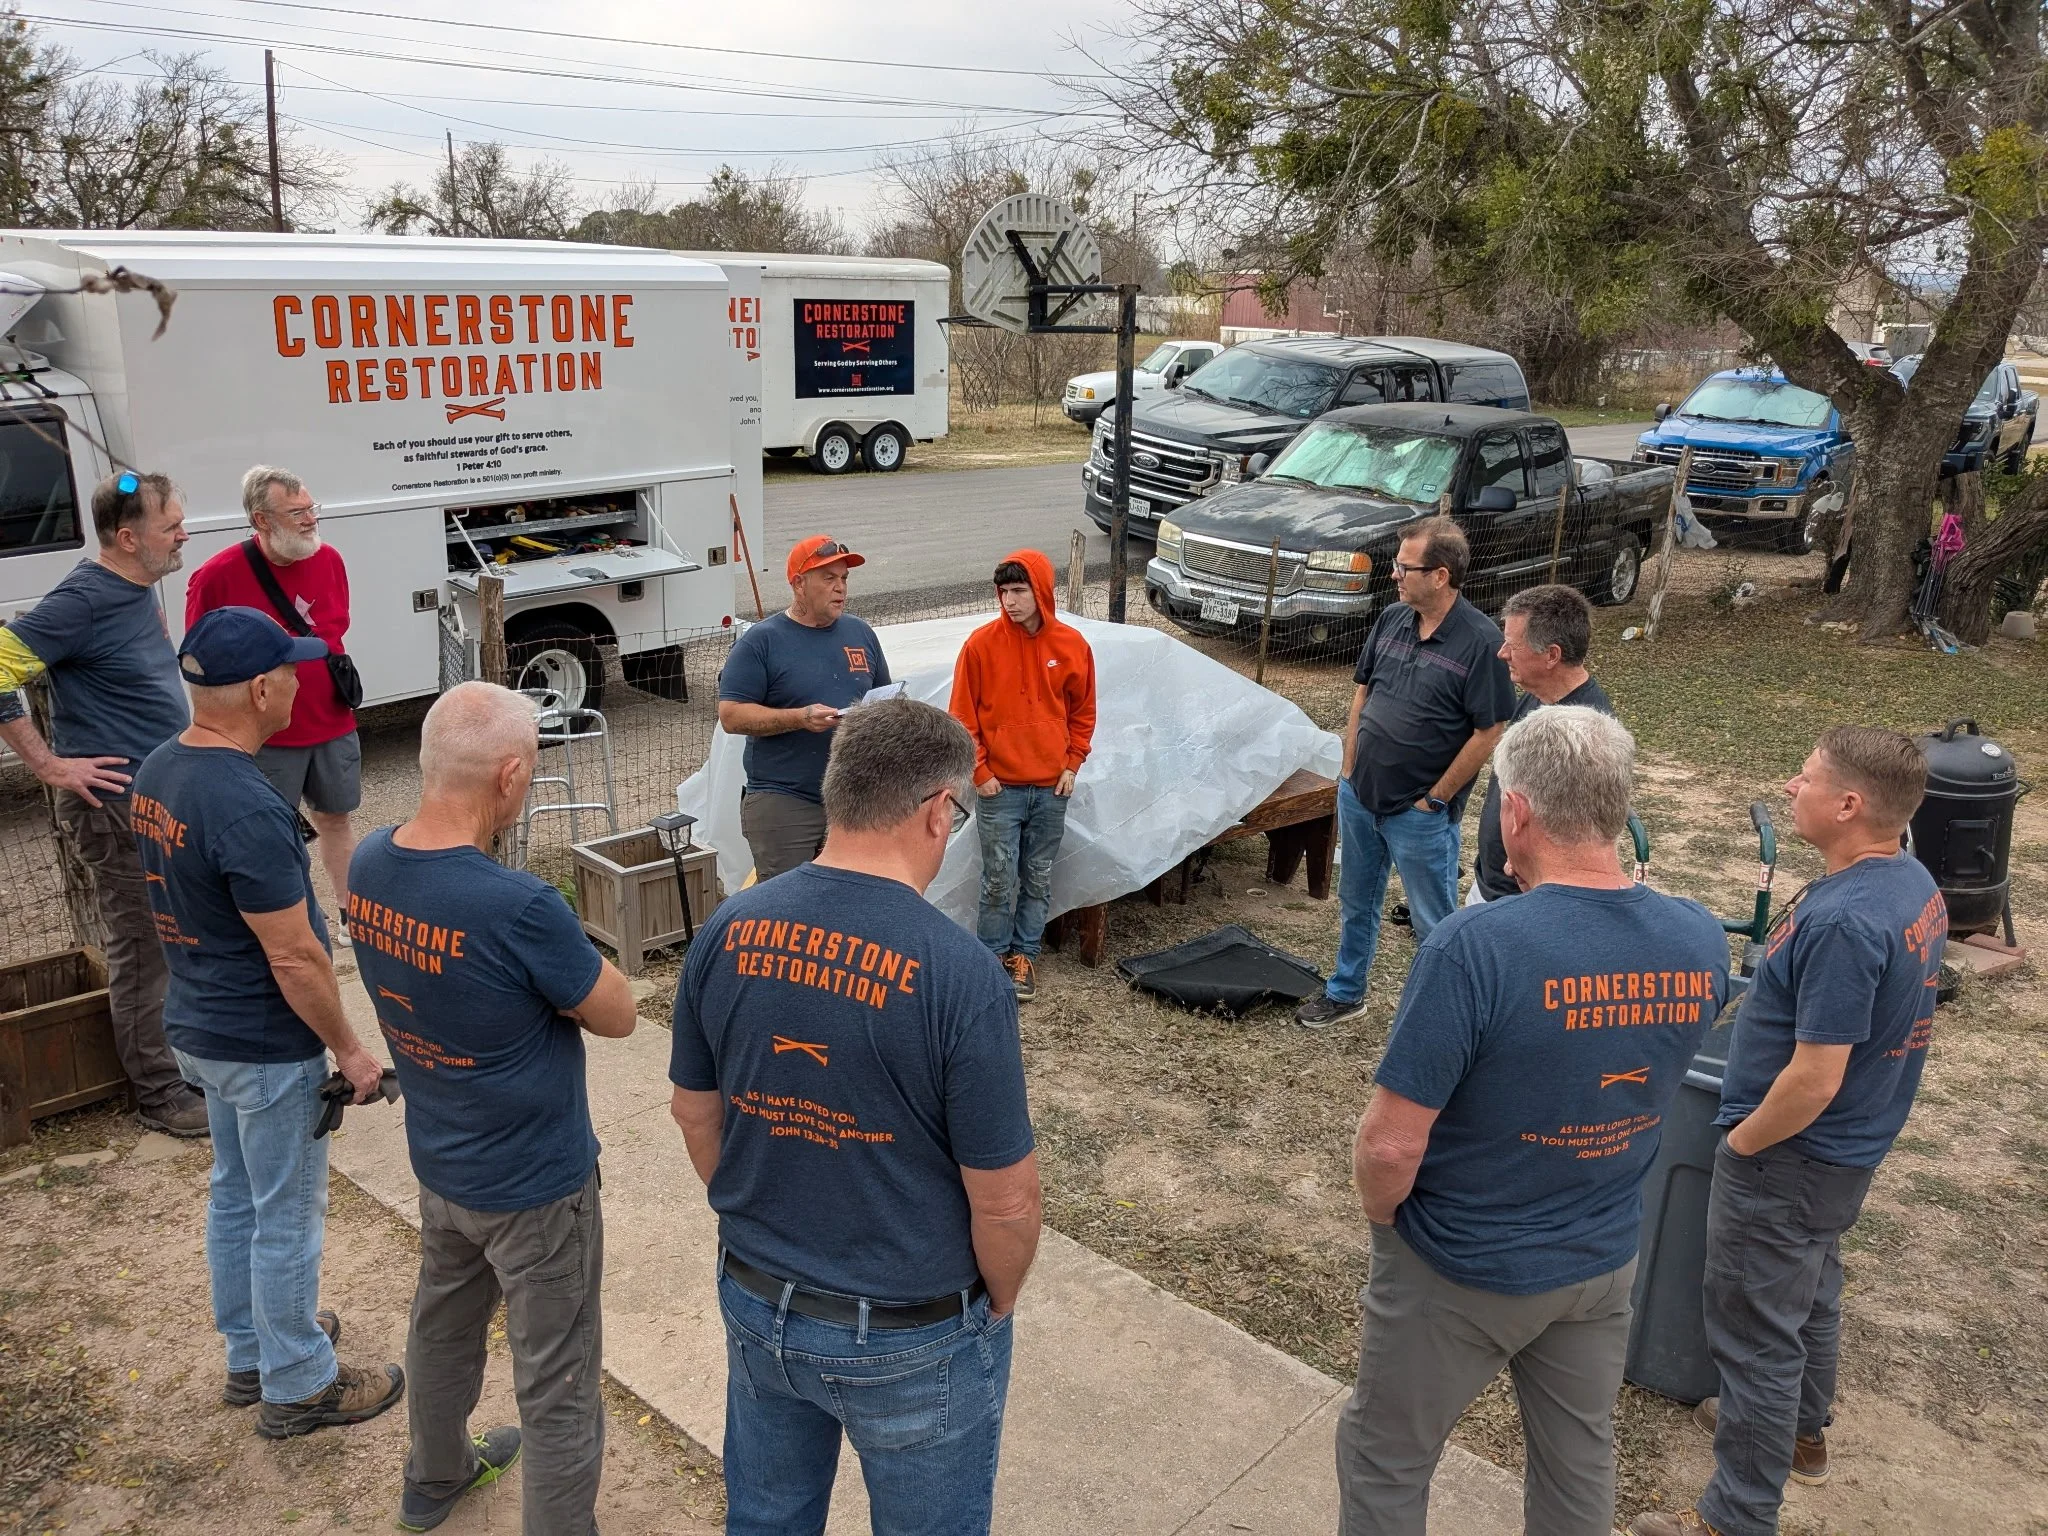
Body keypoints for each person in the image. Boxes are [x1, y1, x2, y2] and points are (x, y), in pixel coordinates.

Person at [1340, 705, 1730, 1536]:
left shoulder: (1476, 948)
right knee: (1578, 1462)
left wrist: (1386, 1225)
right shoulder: (1699, 937)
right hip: (1600, 1260)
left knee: (1386, 1459)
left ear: (1515, 812)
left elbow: (1389, 1142)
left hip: (1461, 1263)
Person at [669, 698, 1041, 1536]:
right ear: (939, 810)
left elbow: (695, 1115)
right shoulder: (961, 973)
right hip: (914, 1331)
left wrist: (762, 1213)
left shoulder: (729, 927)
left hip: (759, 1300)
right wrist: (999, 1302)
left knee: (765, 1518)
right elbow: (1008, 1200)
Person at [1630, 727, 1944, 1536]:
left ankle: (1735, 1517)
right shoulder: (1911, 883)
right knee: (1811, 1291)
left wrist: (1740, 1144)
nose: (1791, 786)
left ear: (1850, 804)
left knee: (1755, 1335)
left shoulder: (1845, 922)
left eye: (1804, 778)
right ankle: (1802, 1433)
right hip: (1847, 1153)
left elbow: (1815, 1076)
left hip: (1791, 1157)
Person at [348, 680, 638, 1536]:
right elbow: (617, 1013)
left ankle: (433, 1480)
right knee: (558, 1383)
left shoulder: (369, 861)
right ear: (510, 776)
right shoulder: (517, 905)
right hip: (537, 1185)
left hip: (442, 1162)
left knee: (442, 1327)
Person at [130, 605, 404, 1439]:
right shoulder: (246, 805)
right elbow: (294, 957)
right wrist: (351, 1052)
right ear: (259, 689)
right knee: (286, 1212)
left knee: (238, 1197)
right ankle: (298, 1383)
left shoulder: (160, 770)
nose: (298, 679)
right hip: (262, 1040)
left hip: (201, 1027)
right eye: (289, 669)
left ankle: (253, 1350)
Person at [0, 471, 208, 1136]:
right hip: (114, 808)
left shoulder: (137, 586)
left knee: (174, 938)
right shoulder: (85, 599)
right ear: (127, 537)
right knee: (143, 947)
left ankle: (180, 1064)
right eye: (170, 525)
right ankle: (159, 1094)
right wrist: (47, 762)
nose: (183, 533)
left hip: (155, 797)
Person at [1297, 516, 1514, 1029]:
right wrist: (1348, 767)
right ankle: (1347, 992)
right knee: (1356, 902)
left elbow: (1490, 731)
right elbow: (1362, 691)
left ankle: (1439, 1021)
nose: (1394, 574)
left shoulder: (1481, 642)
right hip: (1360, 795)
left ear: (1440, 575)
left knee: (1432, 922)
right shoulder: (1392, 619)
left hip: (1420, 813)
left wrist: (1434, 798)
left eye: (1404, 566)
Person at [186, 466, 362, 913]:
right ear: (261, 520)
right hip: (264, 734)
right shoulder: (215, 577)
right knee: (276, 833)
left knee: (336, 820)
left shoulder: (332, 559)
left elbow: (336, 630)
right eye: (297, 512)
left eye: (311, 508)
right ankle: (300, 922)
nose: (310, 519)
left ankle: (351, 917)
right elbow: (199, 662)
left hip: (330, 718)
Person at [949, 549, 1097, 1002]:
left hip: (1052, 787)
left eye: (1019, 590)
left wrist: (1072, 764)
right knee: (997, 877)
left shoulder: (1072, 645)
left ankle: (1024, 955)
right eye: (1003, 592)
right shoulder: (980, 645)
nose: (1009, 601)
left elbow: (1083, 712)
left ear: (1042, 591)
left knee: (1037, 873)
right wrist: (980, 773)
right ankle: (991, 958)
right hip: (1000, 788)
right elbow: (961, 717)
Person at [717, 535, 892, 883]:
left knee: (845, 905)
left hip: (851, 801)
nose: (840, 588)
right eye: (829, 579)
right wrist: (799, 718)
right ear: (798, 584)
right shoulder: (761, 642)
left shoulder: (861, 633)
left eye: (844, 579)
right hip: (785, 801)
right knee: (787, 914)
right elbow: (731, 715)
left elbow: (884, 700)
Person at [1469, 583, 1615, 904]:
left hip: (1525, 900)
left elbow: (1572, 840)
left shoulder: (1582, 735)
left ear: (1552, 655)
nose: (1502, 653)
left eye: (1513, 645)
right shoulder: (1538, 698)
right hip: (1493, 886)